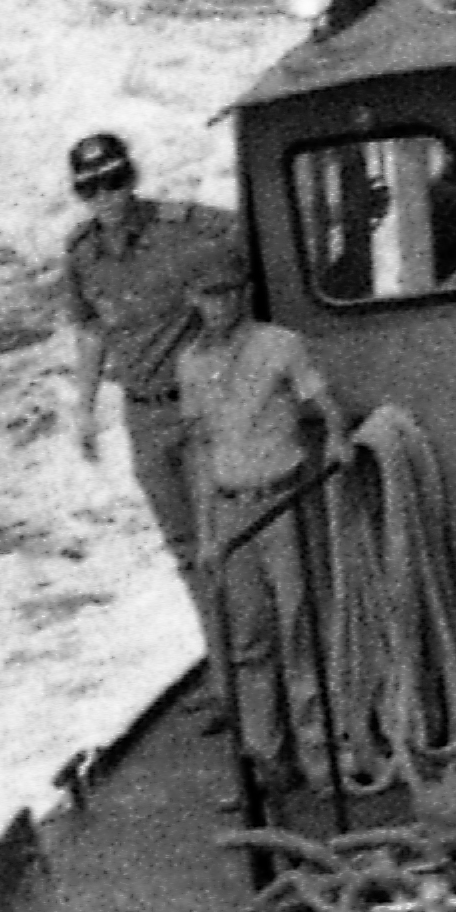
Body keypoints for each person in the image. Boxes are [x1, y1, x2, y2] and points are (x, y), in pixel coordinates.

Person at [51, 130, 250, 584]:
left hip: (202, 406)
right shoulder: (83, 255)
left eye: (115, 180)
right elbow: (91, 331)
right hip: (143, 415)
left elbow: (259, 234)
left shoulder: (186, 230)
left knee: (229, 537)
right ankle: (225, 652)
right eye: (90, 188)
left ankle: (252, 650)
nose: (106, 196)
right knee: (186, 549)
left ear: (132, 177)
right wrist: (84, 410)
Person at [171, 274, 345, 781]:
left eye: (226, 292)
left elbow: (319, 397)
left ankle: (320, 757)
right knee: (249, 639)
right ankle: (267, 756)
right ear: (193, 298)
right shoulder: (191, 363)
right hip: (230, 513)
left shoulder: (281, 344)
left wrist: (336, 436)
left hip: (281, 503)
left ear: (241, 295)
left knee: (299, 628)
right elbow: (200, 450)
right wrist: (207, 534)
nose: (218, 304)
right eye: (207, 293)